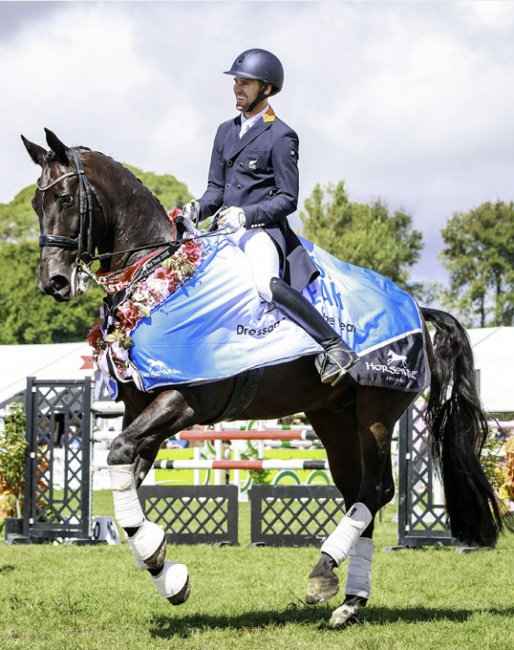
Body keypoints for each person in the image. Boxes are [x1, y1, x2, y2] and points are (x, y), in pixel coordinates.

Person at [183, 48, 358, 386]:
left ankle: (334, 347)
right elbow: (215, 191)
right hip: (222, 232)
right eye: (236, 82)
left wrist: (246, 216)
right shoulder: (223, 131)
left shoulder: (281, 135)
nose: (237, 88)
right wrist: (196, 208)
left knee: (265, 284)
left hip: (260, 232)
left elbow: (288, 198)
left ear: (266, 88)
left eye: (245, 83)